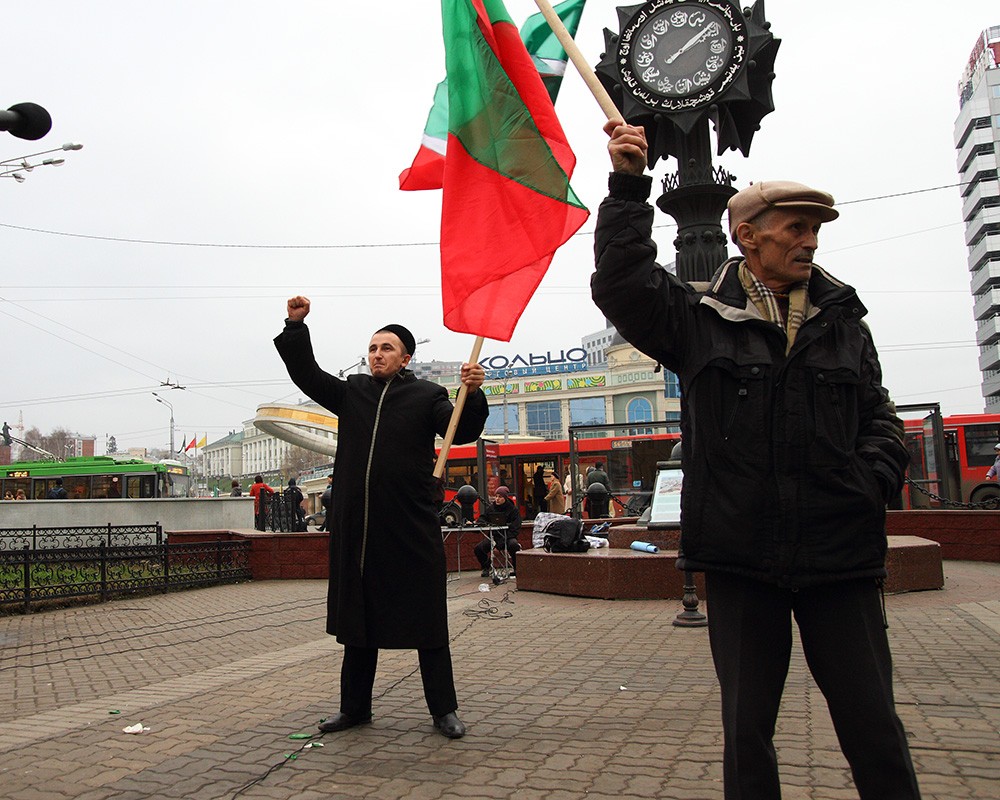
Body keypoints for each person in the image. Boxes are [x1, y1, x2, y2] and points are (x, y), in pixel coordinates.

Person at [591, 120, 920, 799]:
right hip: (742, 561)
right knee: (748, 736)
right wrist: (628, 186)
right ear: (747, 235)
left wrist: (868, 484)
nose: (810, 241)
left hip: (842, 560)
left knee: (874, 730)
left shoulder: (844, 323)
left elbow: (880, 418)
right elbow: (623, 284)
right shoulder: (698, 318)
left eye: (814, 231)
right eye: (795, 227)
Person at [274, 295, 487, 739]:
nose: (376, 355)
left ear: (406, 357)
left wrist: (474, 392)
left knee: (427, 621)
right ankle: (354, 709)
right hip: (360, 532)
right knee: (359, 625)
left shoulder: (428, 395)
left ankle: (443, 710)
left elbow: (462, 431)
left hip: (409, 527)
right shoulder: (352, 392)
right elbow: (307, 375)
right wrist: (295, 327)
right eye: (372, 348)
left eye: (386, 348)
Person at [474, 485, 522, 577]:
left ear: (505, 498)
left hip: (508, 537)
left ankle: (516, 569)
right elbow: (483, 518)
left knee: (514, 545)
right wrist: (480, 523)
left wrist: (499, 546)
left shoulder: (513, 510)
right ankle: (486, 566)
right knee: (478, 548)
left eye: (500, 497)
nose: (497, 499)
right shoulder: (491, 508)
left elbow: (515, 528)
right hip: (494, 536)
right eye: (496, 496)